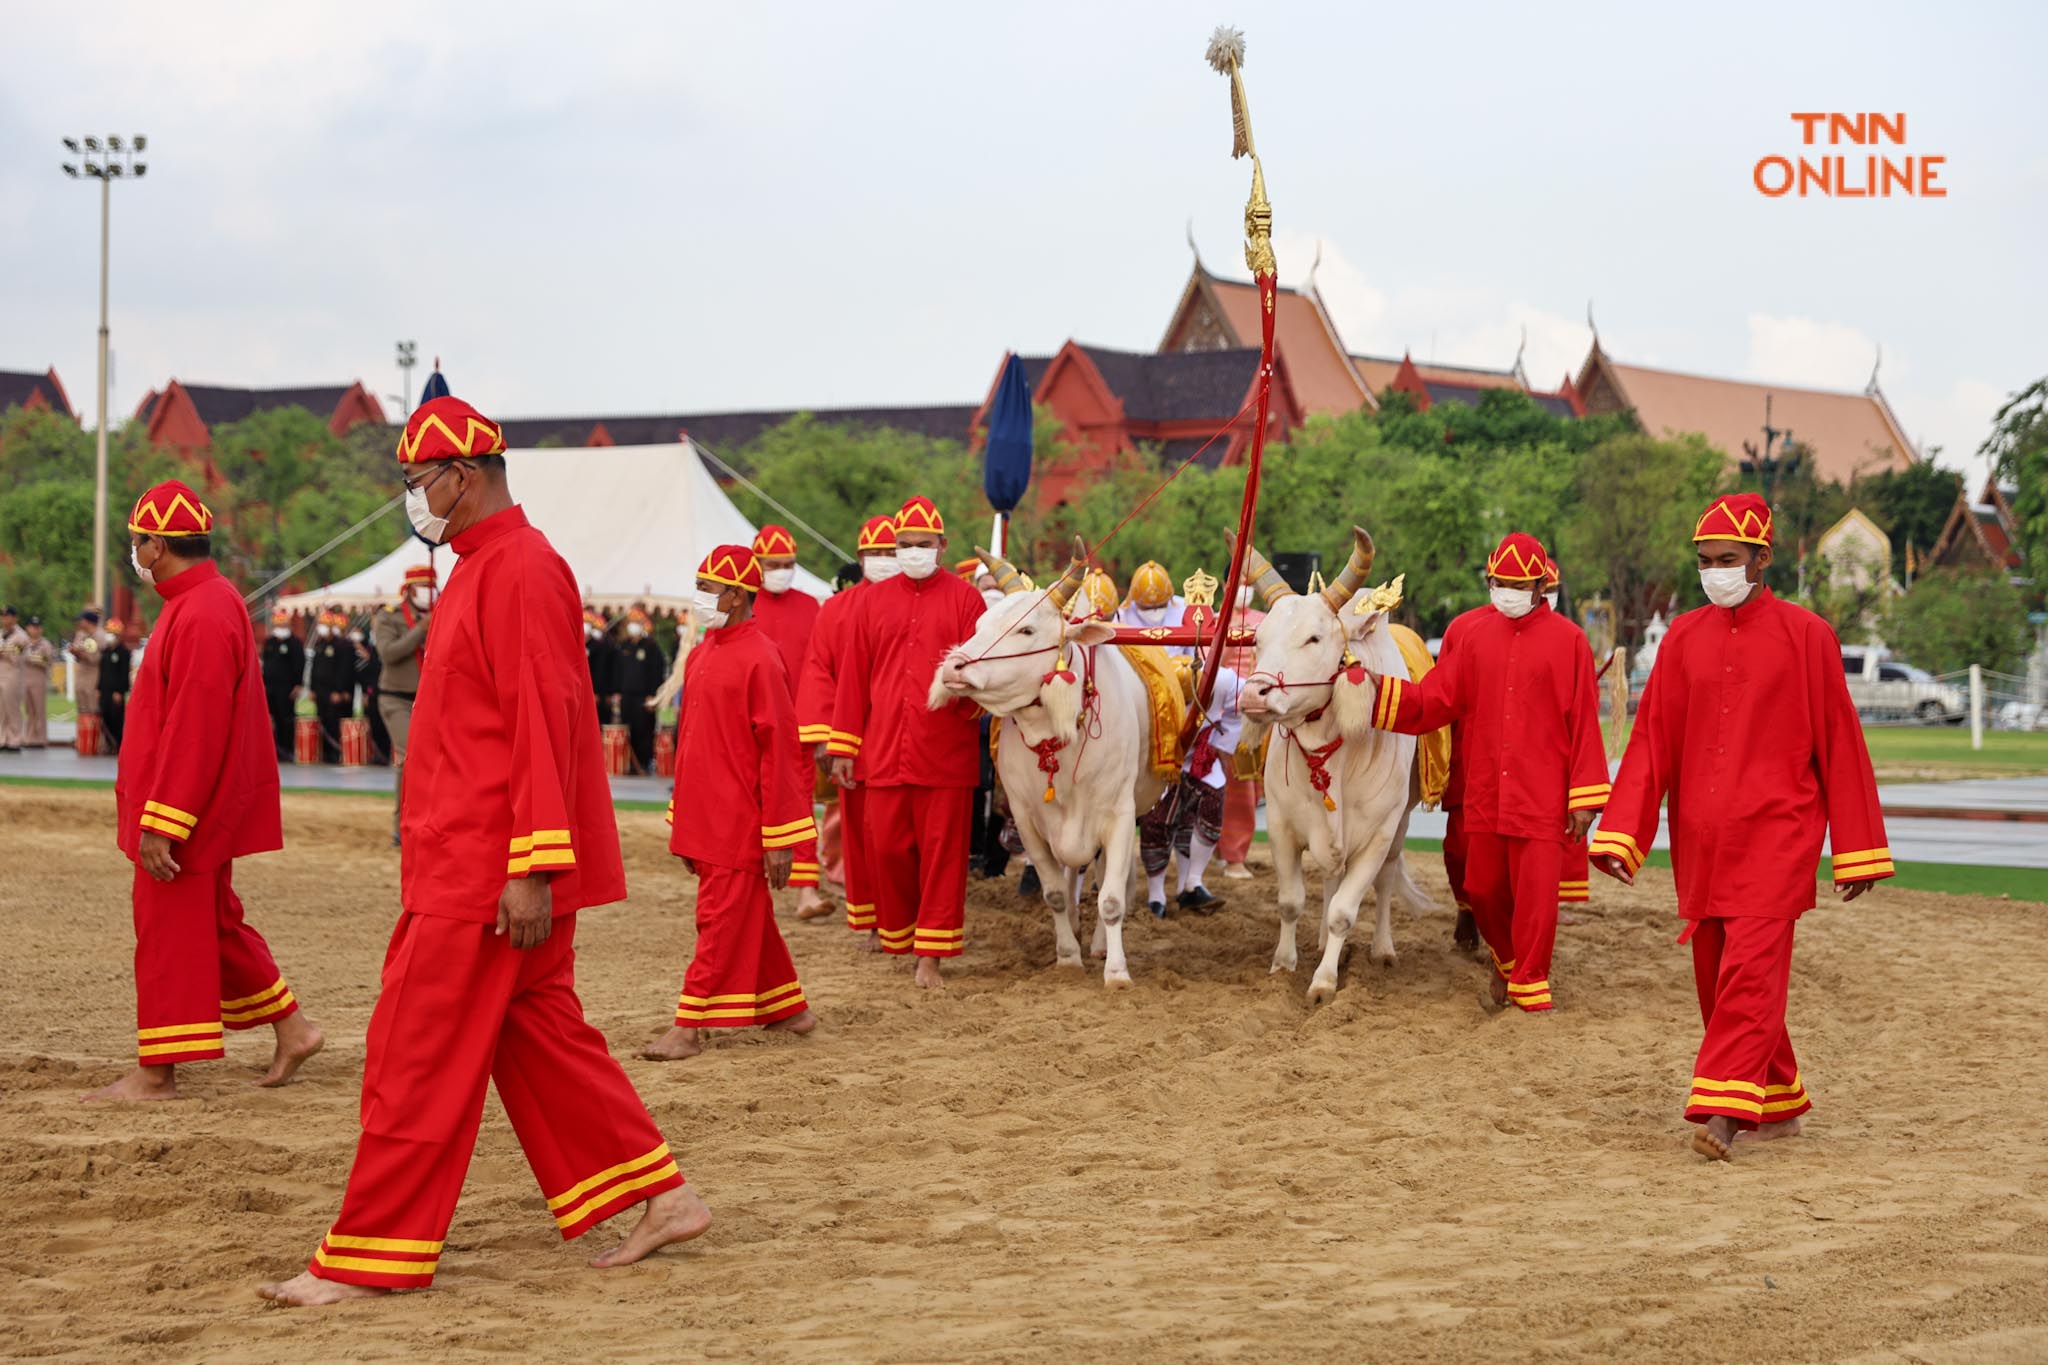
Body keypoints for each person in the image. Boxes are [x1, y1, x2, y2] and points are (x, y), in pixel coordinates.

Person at [259, 395, 707, 1308]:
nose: (413, 500)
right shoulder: (475, 566)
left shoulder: (522, 569)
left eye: (419, 483)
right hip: (467, 860)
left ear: (463, 475)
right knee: (544, 1042)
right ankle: (665, 1195)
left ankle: (369, 1258)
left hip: (488, 873)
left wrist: (533, 867)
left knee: (411, 1051)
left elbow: (541, 724)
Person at [1590, 493, 1891, 1162]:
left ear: (1764, 558)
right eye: (1705, 560)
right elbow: (1653, 742)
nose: (1715, 571)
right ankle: (1779, 1102)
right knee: (1719, 978)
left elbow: (1840, 742)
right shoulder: (1682, 638)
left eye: (1728, 559)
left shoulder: (1809, 636)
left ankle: (1724, 1115)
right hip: (1701, 843)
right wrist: (1622, 834)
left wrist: (1859, 849)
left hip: (1778, 840)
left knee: (1750, 974)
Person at [86, 479, 324, 1103]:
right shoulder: (200, 602)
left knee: (164, 929)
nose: (134, 551)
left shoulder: (202, 609)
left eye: (138, 541)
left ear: (157, 544)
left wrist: (164, 821)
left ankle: (157, 1072)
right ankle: (294, 1029)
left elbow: (195, 727)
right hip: (190, 806)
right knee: (217, 924)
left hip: (183, 811)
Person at [1363, 532, 1608, 1013]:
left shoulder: (1571, 641)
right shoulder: (1473, 637)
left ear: (1541, 587)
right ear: (1489, 580)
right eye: (1500, 581)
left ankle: (1531, 984)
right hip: (1484, 790)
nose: (1508, 591)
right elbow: (1437, 699)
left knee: (1537, 900)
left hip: (1543, 795)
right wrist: (1377, 691)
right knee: (1482, 889)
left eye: (1519, 584)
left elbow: (1584, 722)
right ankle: (1508, 960)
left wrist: (1584, 799)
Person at [643, 545, 818, 1060]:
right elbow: (694, 745)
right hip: (705, 815)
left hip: (741, 821)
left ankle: (688, 1027)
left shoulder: (762, 657)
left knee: (718, 920)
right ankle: (790, 1009)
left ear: (739, 597)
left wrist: (781, 837)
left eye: (709, 589)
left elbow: (781, 754)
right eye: (698, 586)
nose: (700, 598)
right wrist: (682, 820)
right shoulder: (700, 653)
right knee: (746, 915)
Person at [827, 496, 985, 987]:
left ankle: (930, 957)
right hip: (882, 751)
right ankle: (900, 935)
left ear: (942, 545)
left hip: (945, 751)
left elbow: (983, 671)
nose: (913, 551)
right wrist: (843, 747)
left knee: (943, 855)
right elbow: (853, 677)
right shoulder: (871, 601)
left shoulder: (966, 599)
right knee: (889, 849)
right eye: (904, 545)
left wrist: (968, 684)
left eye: (923, 544)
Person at [797, 514, 897, 940]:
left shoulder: (912, 605)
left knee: (897, 832)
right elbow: (819, 669)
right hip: (852, 735)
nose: (882, 560)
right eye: (874, 553)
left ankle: (903, 919)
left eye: (889, 552)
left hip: (899, 733)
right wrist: (824, 736)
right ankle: (874, 920)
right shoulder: (835, 609)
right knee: (860, 833)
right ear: (859, 558)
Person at [748, 525, 824, 911]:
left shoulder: (811, 606)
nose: (782, 570)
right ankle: (749, 884)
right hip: (748, 725)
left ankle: (807, 888)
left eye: (788, 564)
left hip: (799, 725)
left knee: (800, 804)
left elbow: (820, 667)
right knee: (749, 802)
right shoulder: (744, 603)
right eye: (773, 564)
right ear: (757, 564)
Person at [1137, 667, 1244, 916]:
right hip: (1159, 759)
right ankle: (1156, 895)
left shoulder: (1224, 680)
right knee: (1156, 822)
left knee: (1210, 810)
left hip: (1202, 757)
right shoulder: (1146, 677)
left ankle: (1192, 883)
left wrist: (1222, 745)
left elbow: (1241, 703)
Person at [374, 564, 435, 846]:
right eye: (423, 586)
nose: (428, 592)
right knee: (409, 754)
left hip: (429, 698)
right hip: (396, 698)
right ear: (409, 589)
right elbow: (388, 653)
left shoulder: (440, 612)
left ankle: (428, 818)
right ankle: (401, 824)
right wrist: (420, 631)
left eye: (431, 586)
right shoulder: (389, 617)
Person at [1545, 555, 1591, 924]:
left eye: (1553, 590)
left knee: (1564, 834)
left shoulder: (1571, 638)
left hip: (1556, 753)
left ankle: (1554, 901)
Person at [615, 609, 666, 776]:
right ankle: (630, 763)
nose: (633, 627)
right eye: (631, 623)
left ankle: (644, 762)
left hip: (644, 695)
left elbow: (657, 672)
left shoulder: (651, 647)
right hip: (626, 695)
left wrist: (653, 694)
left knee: (643, 729)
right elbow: (618, 671)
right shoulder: (624, 646)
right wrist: (616, 691)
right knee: (627, 729)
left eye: (636, 623)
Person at [260, 607, 305, 763]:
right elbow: (265, 664)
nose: (280, 629)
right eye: (278, 626)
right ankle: (275, 750)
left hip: (287, 688)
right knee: (271, 719)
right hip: (270, 687)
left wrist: (298, 685)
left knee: (286, 719)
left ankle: (287, 750)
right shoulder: (270, 642)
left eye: (283, 626)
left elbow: (300, 664)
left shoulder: (295, 643)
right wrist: (263, 683)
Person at [309, 609, 353, 764]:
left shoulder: (340, 645)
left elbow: (343, 670)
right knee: (322, 719)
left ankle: (335, 753)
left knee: (333, 721)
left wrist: (339, 690)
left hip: (333, 690)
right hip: (320, 690)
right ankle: (325, 753)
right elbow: (314, 668)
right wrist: (312, 688)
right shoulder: (319, 644)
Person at [353, 621, 391, 764]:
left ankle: (384, 753)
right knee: (373, 723)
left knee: (382, 724)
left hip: (382, 691)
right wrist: (367, 692)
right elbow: (368, 674)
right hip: (372, 692)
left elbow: (377, 671)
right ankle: (378, 753)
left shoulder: (379, 649)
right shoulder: (373, 648)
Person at [20, 617, 58, 747]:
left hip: (38, 678)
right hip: (25, 678)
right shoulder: (24, 643)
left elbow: (48, 660)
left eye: (37, 627)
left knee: (39, 709)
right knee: (29, 710)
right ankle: (29, 737)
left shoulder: (45, 644)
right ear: (27, 628)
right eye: (32, 627)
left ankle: (40, 738)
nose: (35, 630)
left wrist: (35, 659)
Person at [99, 619, 131, 753]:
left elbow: (124, 674)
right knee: (104, 717)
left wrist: (120, 691)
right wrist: (98, 688)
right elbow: (102, 671)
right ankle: (108, 744)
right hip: (105, 690)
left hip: (116, 691)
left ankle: (118, 745)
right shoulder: (105, 651)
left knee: (116, 718)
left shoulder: (124, 652)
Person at [70, 610, 104, 738]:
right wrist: (75, 653)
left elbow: (96, 658)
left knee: (93, 706)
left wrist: (82, 653)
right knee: (81, 705)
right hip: (82, 671)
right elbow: (77, 651)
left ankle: (97, 739)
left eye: (82, 620)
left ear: (89, 622)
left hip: (94, 672)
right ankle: (83, 737)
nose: (80, 623)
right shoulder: (81, 634)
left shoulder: (99, 635)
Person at [584, 608, 617, 729]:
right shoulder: (579, 645)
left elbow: (601, 671)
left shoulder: (600, 646)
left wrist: (597, 692)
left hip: (597, 691)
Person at [0, 605, 25, 752]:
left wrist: (3, 652)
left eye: (7, 616)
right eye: (3, 616)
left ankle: (14, 740)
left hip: (13, 675)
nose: (4, 619)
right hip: (1, 673)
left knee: (12, 708)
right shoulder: (2, 634)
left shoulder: (21, 636)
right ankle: (2, 739)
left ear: (14, 618)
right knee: (1, 709)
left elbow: (17, 657)